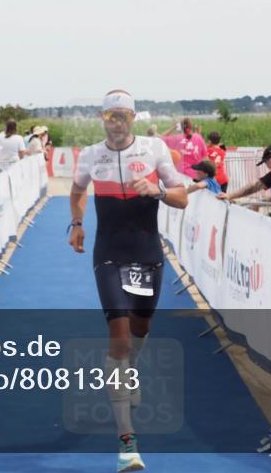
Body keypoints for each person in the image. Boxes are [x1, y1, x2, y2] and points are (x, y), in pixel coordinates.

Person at [69, 90, 187, 473]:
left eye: (122, 115)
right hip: (108, 253)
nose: (115, 121)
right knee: (118, 338)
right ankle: (127, 443)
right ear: (102, 117)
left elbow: (182, 198)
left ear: (133, 117)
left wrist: (159, 190)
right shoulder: (90, 155)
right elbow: (76, 191)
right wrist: (76, 223)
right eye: (109, 115)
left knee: (140, 328)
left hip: (146, 253)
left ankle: (131, 371)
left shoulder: (154, 149)